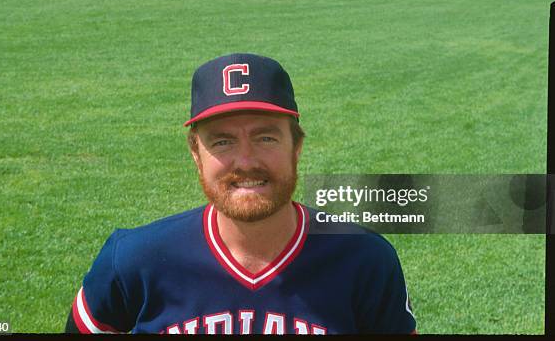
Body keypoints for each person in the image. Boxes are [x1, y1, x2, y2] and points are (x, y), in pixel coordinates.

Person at [65, 53, 417, 334]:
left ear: (296, 146)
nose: (246, 161)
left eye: (266, 137)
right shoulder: (133, 259)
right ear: (195, 153)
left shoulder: (365, 260)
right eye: (222, 141)